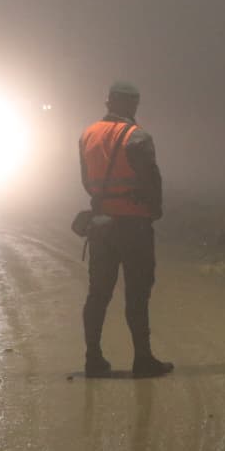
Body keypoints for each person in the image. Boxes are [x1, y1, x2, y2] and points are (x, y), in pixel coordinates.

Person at [78, 81, 173, 379]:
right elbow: (151, 180)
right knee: (137, 294)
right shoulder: (137, 137)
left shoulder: (87, 135)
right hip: (133, 226)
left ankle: (93, 358)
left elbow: (85, 181)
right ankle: (142, 360)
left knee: (98, 294)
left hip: (101, 226)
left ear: (108, 102)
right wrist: (154, 210)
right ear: (131, 104)